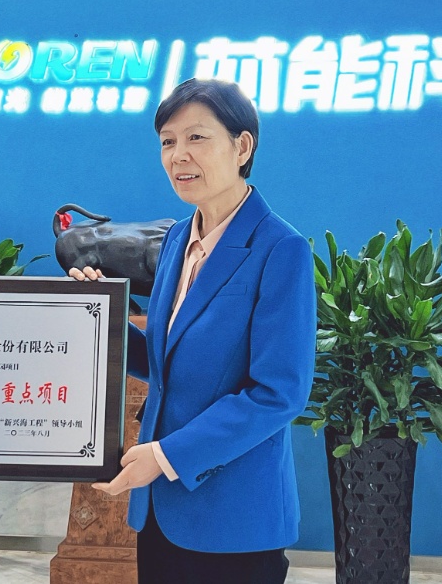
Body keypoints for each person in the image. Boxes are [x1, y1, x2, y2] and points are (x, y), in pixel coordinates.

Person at [70, 78, 315, 584]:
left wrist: (165, 456)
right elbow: (165, 364)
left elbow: (278, 393)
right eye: (167, 141)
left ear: (242, 147)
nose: (178, 155)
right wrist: (100, 318)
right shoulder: (178, 238)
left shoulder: (281, 248)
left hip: (234, 518)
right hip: (159, 509)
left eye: (196, 137)